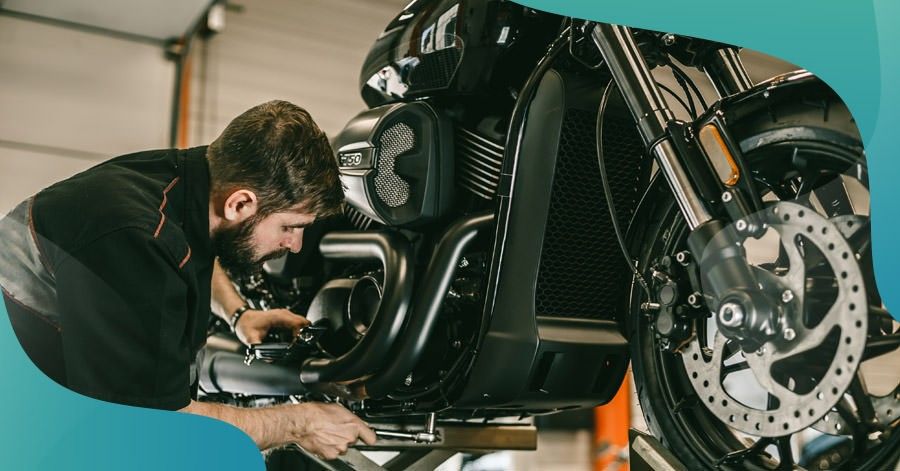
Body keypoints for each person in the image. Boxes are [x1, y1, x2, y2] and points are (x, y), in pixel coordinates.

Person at [0, 100, 376, 460]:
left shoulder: (191, 179)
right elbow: (152, 433)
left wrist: (239, 315)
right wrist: (300, 424)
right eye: (291, 226)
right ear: (240, 204)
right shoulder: (134, 240)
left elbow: (190, 242)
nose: (295, 245)